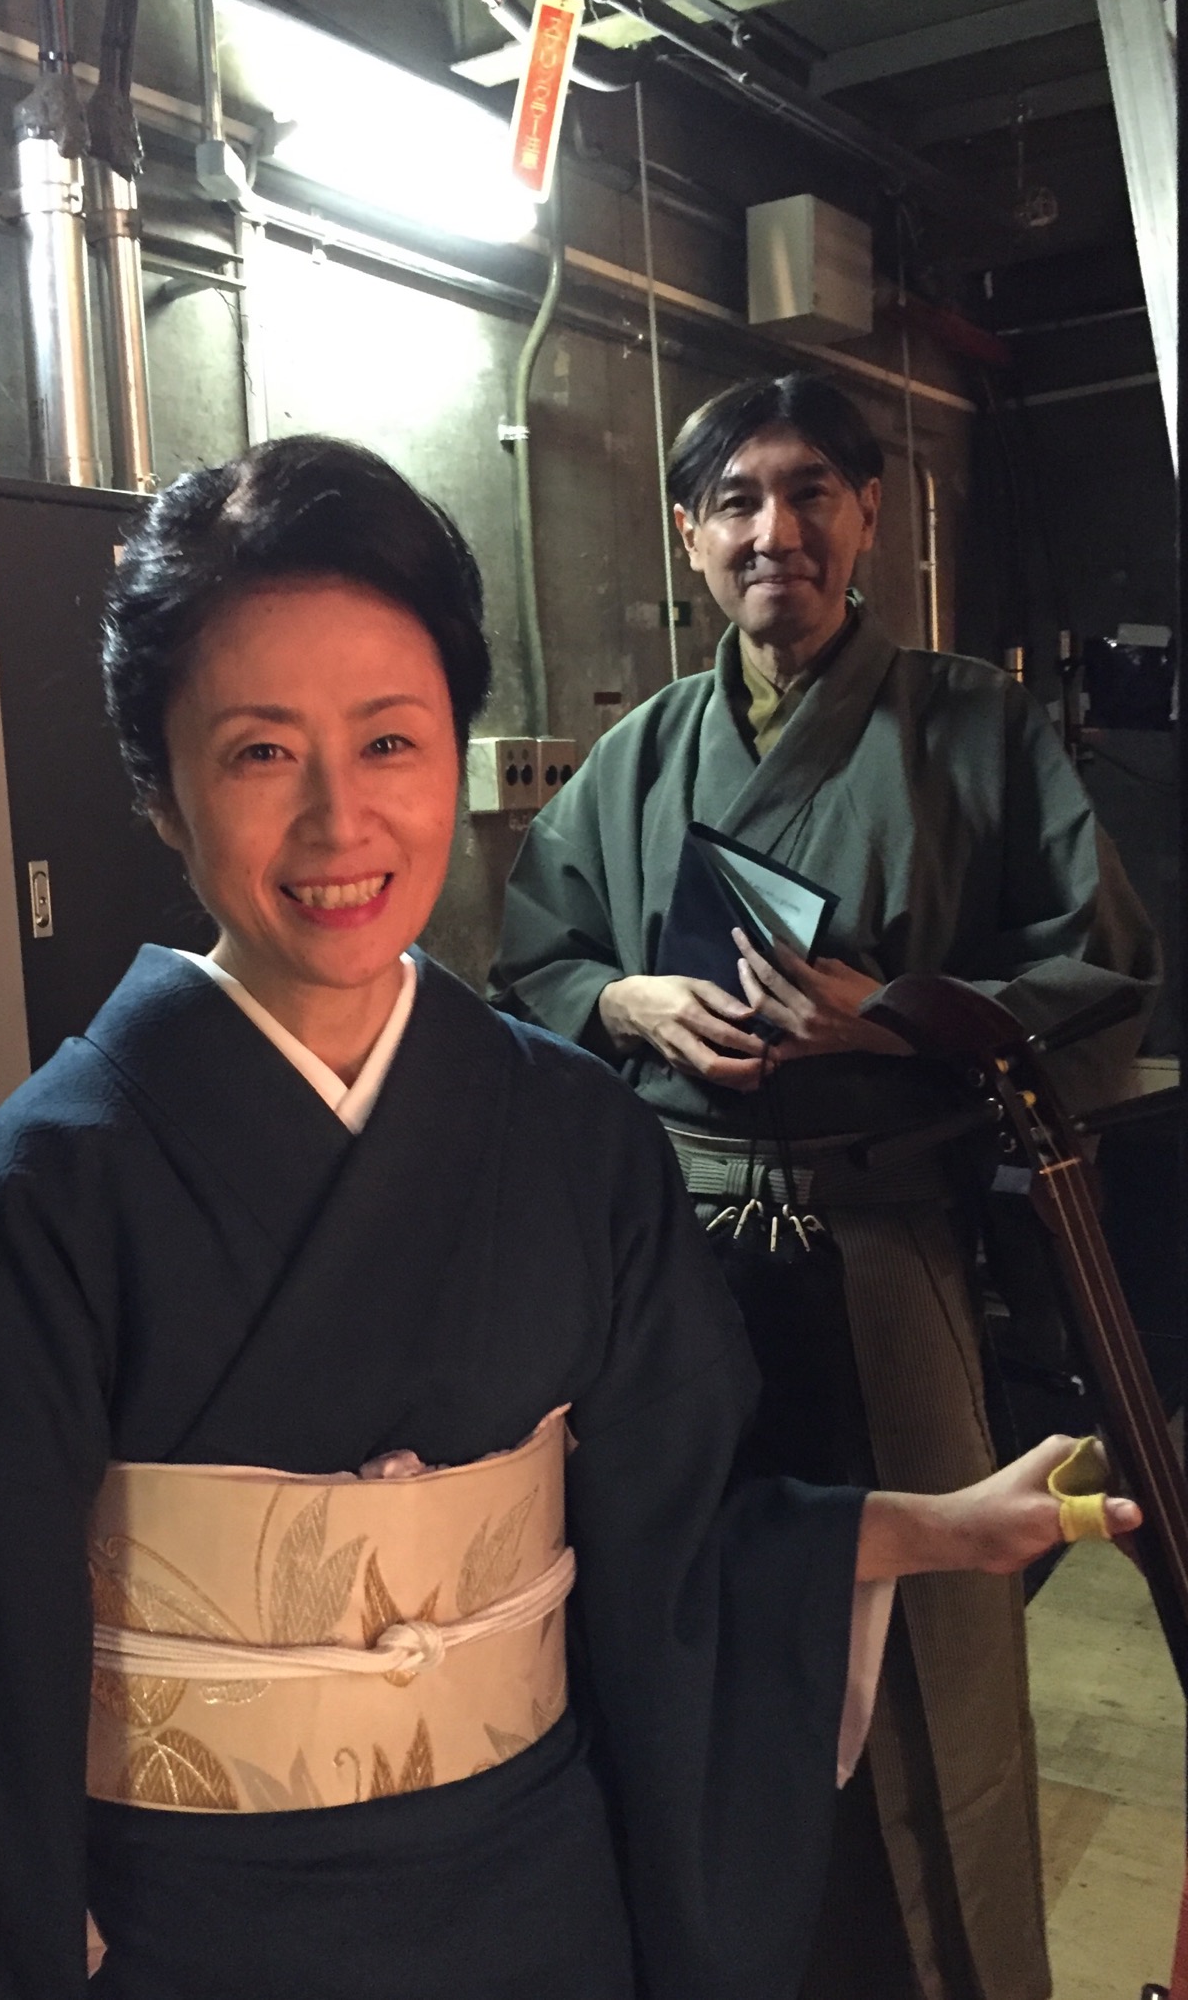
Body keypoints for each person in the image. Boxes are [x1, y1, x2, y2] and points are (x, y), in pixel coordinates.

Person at [0, 435, 1138, 2000]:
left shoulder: (576, 1138)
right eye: (261, 751)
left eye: (391, 740)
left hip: (535, 1907)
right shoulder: (47, 1190)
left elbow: (678, 1544)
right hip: (188, 1935)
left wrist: (920, 1526)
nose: (340, 822)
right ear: (158, 791)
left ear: (455, 750)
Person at [490, 374, 1162, 2000]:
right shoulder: (640, 753)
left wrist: (901, 1013)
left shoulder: (975, 728)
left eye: (809, 493)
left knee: (934, 1630)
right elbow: (533, 959)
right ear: (688, 534)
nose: (772, 529)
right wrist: (627, 1000)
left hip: (883, 1248)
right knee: (678, 1606)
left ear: (871, 514)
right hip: (673, 1268)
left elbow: (1107, 972)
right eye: (735, 499)